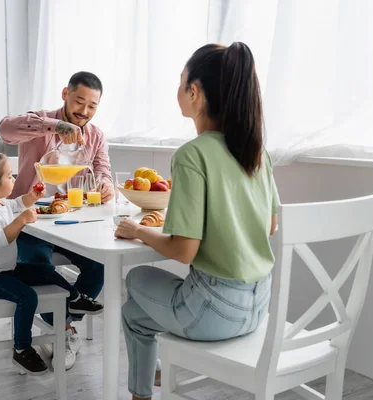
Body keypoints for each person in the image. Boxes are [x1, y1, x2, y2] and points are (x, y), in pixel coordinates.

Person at [114, 42, 279, 400]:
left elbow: (184, 251)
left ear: (194, 92)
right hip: (260, 306)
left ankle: (140, 393)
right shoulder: (256, 152)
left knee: (136, 277)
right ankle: (145, 387)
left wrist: (139, 230)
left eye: (180, 83)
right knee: (134, 313)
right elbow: (270, 226)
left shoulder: (192, 155)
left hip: (212, 313)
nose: (178, 92)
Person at [0, 72, 110, 369]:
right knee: (39, 267)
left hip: (70, 219)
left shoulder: (95, 136)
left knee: (99, 265)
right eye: (79, 101)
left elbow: (102, 170)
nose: (84, 111)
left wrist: (106, 184)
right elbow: (5, 129)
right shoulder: (39, 121)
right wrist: (56, 125)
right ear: (65, 93)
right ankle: (63, 330)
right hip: (30, 218)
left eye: (92, 106)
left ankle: (62, 324)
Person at [0, 149, 103, 375]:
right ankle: (21, 348)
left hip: (4, 270)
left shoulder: (0, 203)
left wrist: (32, 198)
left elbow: (18, 204)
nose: (14, 179)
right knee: (27, 296)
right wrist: (21, 221)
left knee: (45, 271)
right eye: (9, 176)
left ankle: (75, 299)